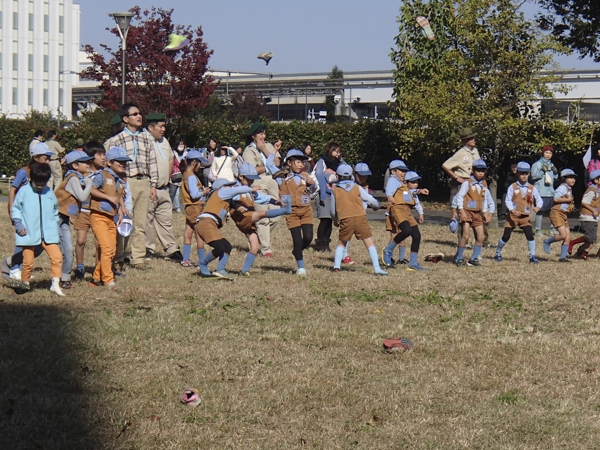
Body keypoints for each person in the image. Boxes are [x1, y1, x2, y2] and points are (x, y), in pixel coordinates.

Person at [105, 103, 159, 269]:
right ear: (125, 119)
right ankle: (118, 257)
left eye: (139, 113)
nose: (139, 116)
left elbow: (152, 162)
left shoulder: (146, 138)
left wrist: (153, 184)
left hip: (144, 181)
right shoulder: (117, 140)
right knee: (123, 220)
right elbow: (108, 163)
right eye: (134, 114)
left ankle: (138, 258)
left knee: (141, 224)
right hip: (126, 181)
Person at [2, 142, 54, 284]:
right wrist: (12, 210)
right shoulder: (24, 172)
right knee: (24, 241)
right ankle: (15, 270)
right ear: (36, 157)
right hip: (22, 213)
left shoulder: (41, 173)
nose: (48, 161)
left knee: (38, 247)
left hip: (35, 214)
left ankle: (11, 262)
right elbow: (13, 189)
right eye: (46, 157)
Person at [11, 162, 64, 296]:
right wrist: (18, 224)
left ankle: (55, 283)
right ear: (31, 179)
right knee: (28, 261)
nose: (40, 186)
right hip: (28, 231)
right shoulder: (24, 191)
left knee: (57, 257)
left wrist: (54, 221)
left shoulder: (49, 191)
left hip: (49, 232)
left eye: (43, 183)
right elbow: (16, 209)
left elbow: (55, 209)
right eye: (37, 183)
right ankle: (25, 282)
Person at [231, 163, 292, 276]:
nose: (251, 182)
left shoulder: (249, 189)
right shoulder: (235, 188)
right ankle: (284, 211)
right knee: (262, 214)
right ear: (241, 177)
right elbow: (230, 199)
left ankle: (244, 270)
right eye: (249, 179)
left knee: (255, 246)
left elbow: (261, 198)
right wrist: (236, 206)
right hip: (242, 218)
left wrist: (276, 202)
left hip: (248, 219)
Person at [330, 164, 387, 276]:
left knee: (341, 243)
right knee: (369, 242)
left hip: (346, 219)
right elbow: (370, 199)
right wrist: (377, 205)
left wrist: (335, 220)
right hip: (360, 217)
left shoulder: (335, 191)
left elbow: (333, 210)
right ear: (352, 175)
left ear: (338, 176)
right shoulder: (357, 187)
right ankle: (377, 268)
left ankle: (337, 266)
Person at [195, 178, 257, 278]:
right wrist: (251, 189)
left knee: (227, 246)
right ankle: (202, 263)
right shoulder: (220, 192)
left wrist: (237, 206)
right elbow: (236, 191)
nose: (231, 188)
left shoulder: (224, 199)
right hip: (206, 223)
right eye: (229, 186)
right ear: (222, 187)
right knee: (220, 247)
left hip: (211, 224)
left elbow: (232, 203)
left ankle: (220, 269)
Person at [143, 113, 183, 261]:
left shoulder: (164, 141)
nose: (163, 129)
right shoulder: (144, 140)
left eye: (164, 126)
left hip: (164, 187)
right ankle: (147, 248)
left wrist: (166, 178)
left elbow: (171, 159)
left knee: (166, 219)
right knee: (146, 220)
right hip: (149, 188)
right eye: (160, 126)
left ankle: (171, 249)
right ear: (150, 127)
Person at [89, 147, 130, 287]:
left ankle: (96, 278)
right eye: (120, 161)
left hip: (111, 218)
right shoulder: (102, 175)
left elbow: (118, 198)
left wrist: (121, 210)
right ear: (109, 162)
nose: (123, 164)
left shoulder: (119, 180)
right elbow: (92, 189)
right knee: (106, 248)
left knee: (111, 249)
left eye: (125, 162)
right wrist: (108, 197)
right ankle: (108, 280)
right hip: (98, 216)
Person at [54, 150, 94, 290]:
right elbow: (82, 197)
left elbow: (70, 201)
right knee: (38, 248)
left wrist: (71, 214)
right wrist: (90, 182)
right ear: (75, 165)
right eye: (86, 162)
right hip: (54, 218)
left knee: (68, 249)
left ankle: (65, 279)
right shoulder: (73, 178)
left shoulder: (77, 178)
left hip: (63, 218)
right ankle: (13, 264)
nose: (89, 164)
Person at [242, 122, 282, 257]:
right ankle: (266, 249)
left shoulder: (269, 146)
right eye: (260, 133)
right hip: (258, 182)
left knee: (277, 213)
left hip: (272, 183)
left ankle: (256, 236)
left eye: (264, 133)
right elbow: (251, 170)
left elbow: (277, 162)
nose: (263, 136)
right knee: (263, 216)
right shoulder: (249, 150)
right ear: (253, 136)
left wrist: (265, 150)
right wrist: (268, 166)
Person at [381, 161, 428, 271]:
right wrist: (389, 196)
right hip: (398, 209)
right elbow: (389, 189)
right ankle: (388, 250)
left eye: (405, 171)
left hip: (407, 211)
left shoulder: (402, 183)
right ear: (393, 171)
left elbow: (410, 191)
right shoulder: (393, 179)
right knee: (406, 230)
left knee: (416, 235)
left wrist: (420, 191)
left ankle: (413, 262)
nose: (403, 173)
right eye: (401, 171)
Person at [493, 162, 543, 264]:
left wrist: (538, 207)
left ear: (529, 174)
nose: (524, 176)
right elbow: (507, 200)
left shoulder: (532, 188)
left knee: (530, 236)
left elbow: (539, 200)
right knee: (506, 236)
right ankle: (498, 253)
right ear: (517, 174)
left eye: (526, 173)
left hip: (525, 217)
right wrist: (512, 210)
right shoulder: (512, 187)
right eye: (521, 173)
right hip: (513, 216)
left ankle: (532, 256)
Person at [278, 150, 315, 276]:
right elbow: (282, 193)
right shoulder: (284, 178)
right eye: (298, 162)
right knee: (297, 240)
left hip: (306, 210)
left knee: (308, 237)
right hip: (292, 211)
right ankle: (301, 267)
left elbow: (314, 190)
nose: (301, 165)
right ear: (289, 163)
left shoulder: (306, 176)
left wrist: (312, 184)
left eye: (302, 162)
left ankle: (297, 251)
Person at [73, 142, 106, 281]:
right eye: (100, 154)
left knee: (100, 242)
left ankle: (99, 268)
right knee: (81, 240)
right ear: (91, 157)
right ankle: (80, 267)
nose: (103, 157)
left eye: (104, 154)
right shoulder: (82, 174)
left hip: (97, 212)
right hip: (83, 211)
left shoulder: (105, 174)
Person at [454, 159, 495, 266]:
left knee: (481, 237)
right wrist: (461, 211)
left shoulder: (484, 185)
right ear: (473, 171)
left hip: (477, 213)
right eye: (478, 170)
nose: (481, 173)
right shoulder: (467, 183)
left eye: (483, 171)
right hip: (467, 211)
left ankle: (473, 258)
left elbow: (484, 200)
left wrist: (485, 213)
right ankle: (458, 258)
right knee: (466, 236)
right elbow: (460, 197)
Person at [180, 150, 210, 268]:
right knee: (199, 235)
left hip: (189, 207)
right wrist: (204, 191)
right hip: (196, 207)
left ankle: (185, 259)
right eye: (199, 163)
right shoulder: (192, 177)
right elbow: (194, 194)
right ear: (194, 163)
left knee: (188, 233)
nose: (201, 166)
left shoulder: (185, 174)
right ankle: (202, 260)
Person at [315, 141, 344, 252]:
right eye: (335, 151)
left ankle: (326, 242)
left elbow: (346, 172)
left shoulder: (338, 164)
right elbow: (320, 178)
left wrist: (341, 160)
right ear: (330, 150)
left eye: (339, 151)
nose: (337, 153)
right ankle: (320, 243)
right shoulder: (322, 162)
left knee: (330, 220)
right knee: (324, 219)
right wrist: (322, 196)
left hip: (334, 195)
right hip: (324, 194)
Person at [543, 169, 576, 262]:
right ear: (564, 179)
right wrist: (567, 200)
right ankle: (547, 241)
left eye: (573, 178)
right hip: (556, 212)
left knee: (568, 237)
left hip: (563, 213)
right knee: (563, 235)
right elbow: (556, 199)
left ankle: (562, 258)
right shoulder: (562, 188)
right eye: (570, 177)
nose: (573, 179)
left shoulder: (569, 188)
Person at [567, 169, 600, 259]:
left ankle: (583, 254)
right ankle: (572, 242)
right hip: (587, 216)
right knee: (590, 237)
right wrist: (593, 210)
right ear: (596, 180)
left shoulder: (597, 190)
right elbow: (584, 202)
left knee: (592, 238)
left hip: (593, 217)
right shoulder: (591, 190)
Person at [442, 127, 481, 201]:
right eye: (471, 138)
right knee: (459, 203)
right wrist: (456, 177)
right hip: (462, 182)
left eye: (473, 138)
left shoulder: (475, 151)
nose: (473, 140)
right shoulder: (460, 153)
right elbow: (445, 166)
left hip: (473, 181)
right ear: (465, 140)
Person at [530, 145, 559, 236]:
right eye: (546, 152)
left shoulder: (551, 164)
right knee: (540, 211)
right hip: (540, 191)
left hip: (550, 191)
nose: (548, 155)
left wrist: (555, 172)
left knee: (552, 210)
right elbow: (533, 176)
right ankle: (538, 230)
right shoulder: (537, 164)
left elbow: (555, 177)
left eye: (550, 153)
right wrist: (542, 171)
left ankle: (552, 228)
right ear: (543, 153)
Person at [170, 138, 187, 213]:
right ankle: (175, 207)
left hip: (183, 175)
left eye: (182, 144)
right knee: (173, 193)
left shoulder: (186, 154)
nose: (181, 145)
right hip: (174, 175)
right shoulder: (173, 154)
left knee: (182, 193)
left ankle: (179, 207)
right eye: (180, 144)